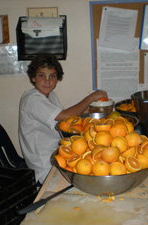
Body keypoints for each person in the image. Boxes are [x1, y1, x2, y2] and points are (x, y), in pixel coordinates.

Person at [18, 53, 108, 186]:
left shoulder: (50, 96)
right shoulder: (32, 99)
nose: (47, 81)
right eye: (42, 75)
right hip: (45, 165)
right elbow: (63, 116)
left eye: (52, 76)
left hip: (56, 152)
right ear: (33, 77)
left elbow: (67, 121)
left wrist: (84, 111)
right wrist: (91, 98)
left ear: (57, 78)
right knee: (89, 176)